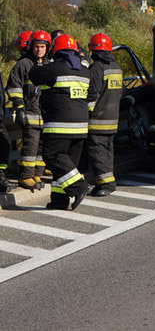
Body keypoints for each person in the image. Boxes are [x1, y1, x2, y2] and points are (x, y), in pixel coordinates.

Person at [29, 34, 93, 210]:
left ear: (55, 50)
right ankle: (59, 201)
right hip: (81, 127)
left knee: (52, 157)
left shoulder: (54, 69)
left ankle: (79, 186)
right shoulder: (85, 71)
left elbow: (33, 74)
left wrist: (42, 62)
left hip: (59, 126)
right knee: (65, 167)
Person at [7, 30, 51, 190]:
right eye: (36, 46)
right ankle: (25, 176)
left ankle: (37, 174)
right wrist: (19, 109)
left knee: (40, 148)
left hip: (45, 114)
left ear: (47, 48)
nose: (39, 49)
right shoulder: (23, 64)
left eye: (42, 46)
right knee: (30, 147)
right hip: (30, 113)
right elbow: (13, 87)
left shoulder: (48, 65)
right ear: (31, 47)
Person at [85, 33, 123, 196]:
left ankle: (105, 184)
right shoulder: (116, 68)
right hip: (113, 119)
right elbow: (120, 93)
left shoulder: (96, 68)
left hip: (98, 120)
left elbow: (92, 96)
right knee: (107, 151)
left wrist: (85, 113)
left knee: (97, 150)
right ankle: (108, 180)